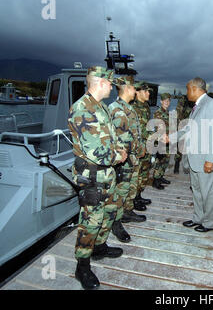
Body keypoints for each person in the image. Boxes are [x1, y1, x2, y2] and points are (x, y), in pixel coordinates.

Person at [68, 66, 128, 290]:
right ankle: (82, 266)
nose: (112, 87)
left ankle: (100, 247)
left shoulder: (100, 107)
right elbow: (96, 152)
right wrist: (119, 156)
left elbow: (111, 138)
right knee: (90, 222)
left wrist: (120, 149)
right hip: (92, 176)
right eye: (110, 83)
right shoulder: (83, 109)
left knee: (109, 212)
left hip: (107, 174)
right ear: (100, 83)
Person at [175, 77, 213, 232]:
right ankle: (198, 218)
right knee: (197, 191)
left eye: (188, 89)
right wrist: (172, 137)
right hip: (195, 160)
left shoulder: (211, 105)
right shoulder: (198, 106)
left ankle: (210, 223)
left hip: (206, 160)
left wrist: (210, 160)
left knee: (209, 194)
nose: (186, 92)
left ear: (195, 89)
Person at [108, 76, 147, 229]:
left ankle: (128, 211)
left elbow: (136, 132)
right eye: (134, 88)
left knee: (131, 186)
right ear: (128, 89)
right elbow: (125, 138)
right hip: (124, 159)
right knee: (121, 191)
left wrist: (140, 148)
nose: (135, 91)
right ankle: (116, 222)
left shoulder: (128, 108)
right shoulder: (117, 109)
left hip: (133, 157)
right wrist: (140, 149)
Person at [132, 82, 154, 209]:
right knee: (137, 174)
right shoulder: (133, 108)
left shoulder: (146, 106)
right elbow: (137, 130)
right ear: (137, 92)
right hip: (138, 147)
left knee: (144, 173)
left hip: (147, 145)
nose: (148, 93)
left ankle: (138, 196)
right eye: (146, 91)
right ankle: (133, 200)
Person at [152, 93, 172, 189]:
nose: (167, 102)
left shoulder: (168, 113)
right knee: (159, 161)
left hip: (167, 141)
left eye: (168, 100)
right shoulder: (158, 113)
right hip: (161, 141)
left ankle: (161, 177)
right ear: (161, 101)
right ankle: (156, 180)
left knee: (166, 160)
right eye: (165, 100)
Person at [174, 94, 193, 174]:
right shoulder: (180, 106)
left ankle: (186, 167)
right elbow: (177, 116)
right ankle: (176, 164)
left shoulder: (192, 105)